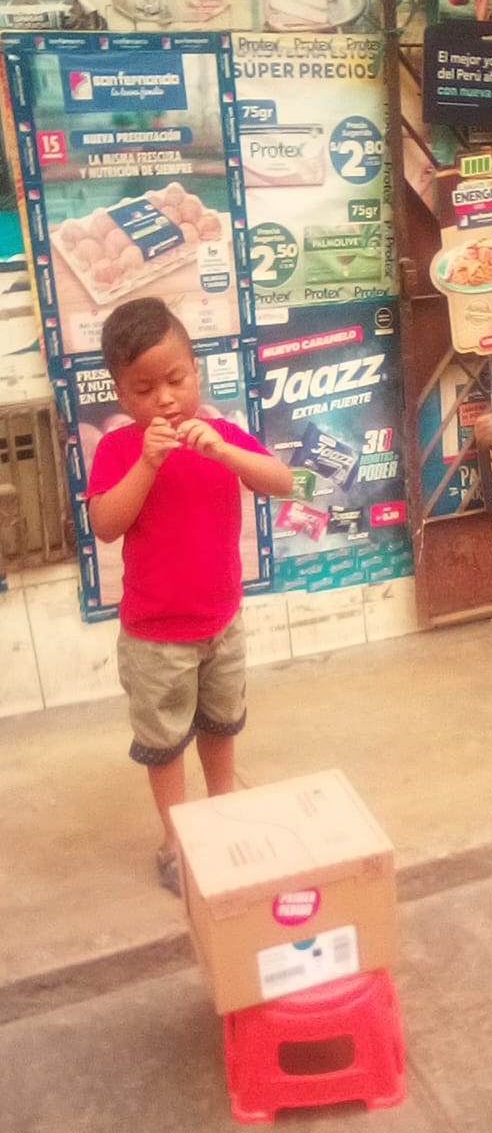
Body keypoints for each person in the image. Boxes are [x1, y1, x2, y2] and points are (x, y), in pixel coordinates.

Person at [87, 297, 293, 895]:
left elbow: (283, 482)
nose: (165, 399)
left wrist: (223, 451)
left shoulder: (222, 434)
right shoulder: (119, 450)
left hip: (222, 621)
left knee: (222, 724)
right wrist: (148, 464)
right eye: (144, 389)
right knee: (164, 742)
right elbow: (106, 524)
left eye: (176, 380)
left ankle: (220, 816)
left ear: (197, 372)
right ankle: (176, 837)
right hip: (155, 636)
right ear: (121, 394)